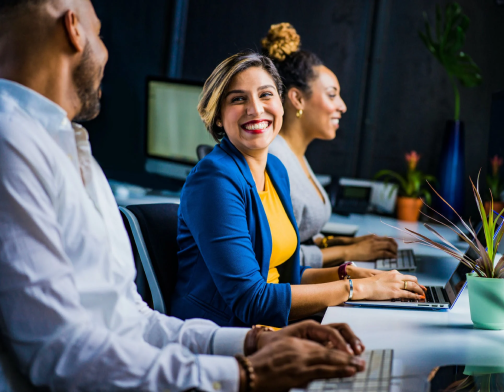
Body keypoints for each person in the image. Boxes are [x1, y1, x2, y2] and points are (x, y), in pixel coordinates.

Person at [0, 1, 368, 391]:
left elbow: (131, 321)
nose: (105, 52)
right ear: (74, 30)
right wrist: (245, 373)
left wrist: (255, 343)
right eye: (100, 33)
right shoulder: (13, 143)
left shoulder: (68, 145)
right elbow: (61, 354)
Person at [172, 51, 426, 328]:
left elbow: (285, 277)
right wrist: (357, 289)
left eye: (266, 95)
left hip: (272, 328)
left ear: (281, 104)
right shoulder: (214, 180)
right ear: (219, 117)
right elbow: (251, 300)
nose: (256, 109)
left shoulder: (276, 170)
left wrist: (350, 274)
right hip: (224, 336)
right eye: (238, 99)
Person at [263, 22, 400, 269]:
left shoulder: (295, 155)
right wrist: (349, 251)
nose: (342, 106)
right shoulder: (274, 160)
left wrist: (345, 242)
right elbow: (277, 259)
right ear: (297, 98)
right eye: (331, 94)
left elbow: (299, 236)